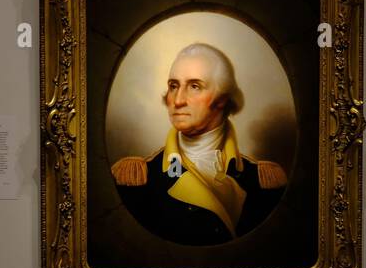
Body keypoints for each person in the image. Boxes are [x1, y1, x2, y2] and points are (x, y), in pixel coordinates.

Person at [111, 42, 287, 245]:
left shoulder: (262, 181)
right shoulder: (139, 180)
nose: (177, 101)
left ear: (222, 98)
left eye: (194, 86)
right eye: (173, 86)